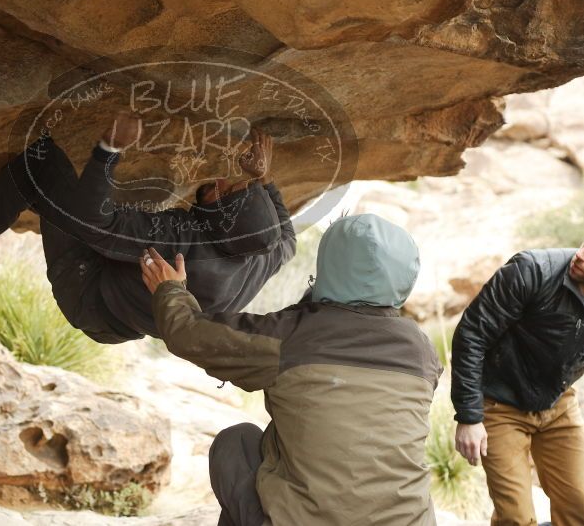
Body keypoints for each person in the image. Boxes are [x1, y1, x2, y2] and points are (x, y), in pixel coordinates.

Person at [140, 214, 442, 526]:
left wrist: (170, 290)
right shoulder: (423, 352)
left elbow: (188, 333)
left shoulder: (292, 337)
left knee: (236, 443)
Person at [0, 113, 295, 344]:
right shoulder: (260, 252)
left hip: (87, 292)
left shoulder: (179, 245)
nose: (221, 181)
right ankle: (9, 204)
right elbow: (286, 238)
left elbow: (92, 220)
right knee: (52, 198)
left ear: (220, 222)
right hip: (119, 319)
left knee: (42, 164)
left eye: (224, 194)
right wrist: (264, 180)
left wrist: (108, 150)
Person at [452, 246, 584, 526]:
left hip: (557, 401)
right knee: (515, 517)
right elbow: (471, 335)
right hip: (499, 404)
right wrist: (469, 416)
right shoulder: (532, 271)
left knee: (580, 504)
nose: (581, 256)